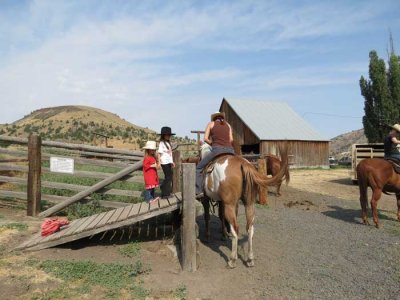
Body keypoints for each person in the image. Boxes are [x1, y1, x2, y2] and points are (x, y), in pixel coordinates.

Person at [195, 112, 235, 199]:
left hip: (217, 150)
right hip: (230, 150)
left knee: (198, 168)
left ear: (214, 118)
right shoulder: (228, 125)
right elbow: (231, 139)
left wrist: (213, 143)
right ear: (222, 117)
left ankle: (199, 191)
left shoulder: (211, 124)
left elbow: (205, 138)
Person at [158, 126, 175, 198]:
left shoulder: (168, 143)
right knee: (168, 177)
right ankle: (164, 193)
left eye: (169, 135)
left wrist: (172, 162)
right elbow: (159, 153)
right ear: (163, 135)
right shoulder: (161, 143)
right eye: (167, 135)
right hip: (164, 162)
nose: (168, 136)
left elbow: (170, 154)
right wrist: (159, 162)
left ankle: (166, 192)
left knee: (169, 176)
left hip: (168, 162)